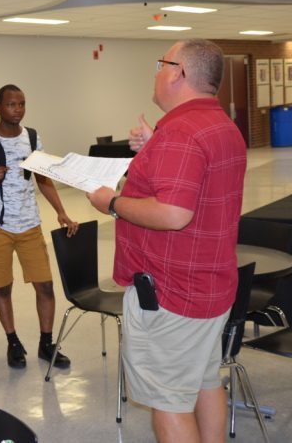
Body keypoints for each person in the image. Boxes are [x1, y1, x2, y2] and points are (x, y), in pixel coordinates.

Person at [87, 39, 247, 443]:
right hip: (211, 288)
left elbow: (175, 214)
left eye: (161, 63)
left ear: (178, 72)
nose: (156, 71)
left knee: (169, 402)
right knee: (205, 380)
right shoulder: (220, 125)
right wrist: (154, 144)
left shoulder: (181, 132)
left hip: (172, 296)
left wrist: (112, 203)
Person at [0, 84, 78, 369]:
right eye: (11, 104)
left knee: (46, 285)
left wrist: (61, 211)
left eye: (22, 104)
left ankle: (46, 342)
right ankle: (13, 342)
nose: (18, 109)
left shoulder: (32, 137)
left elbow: (42, 177)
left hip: (30, 223)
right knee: (3, 287)